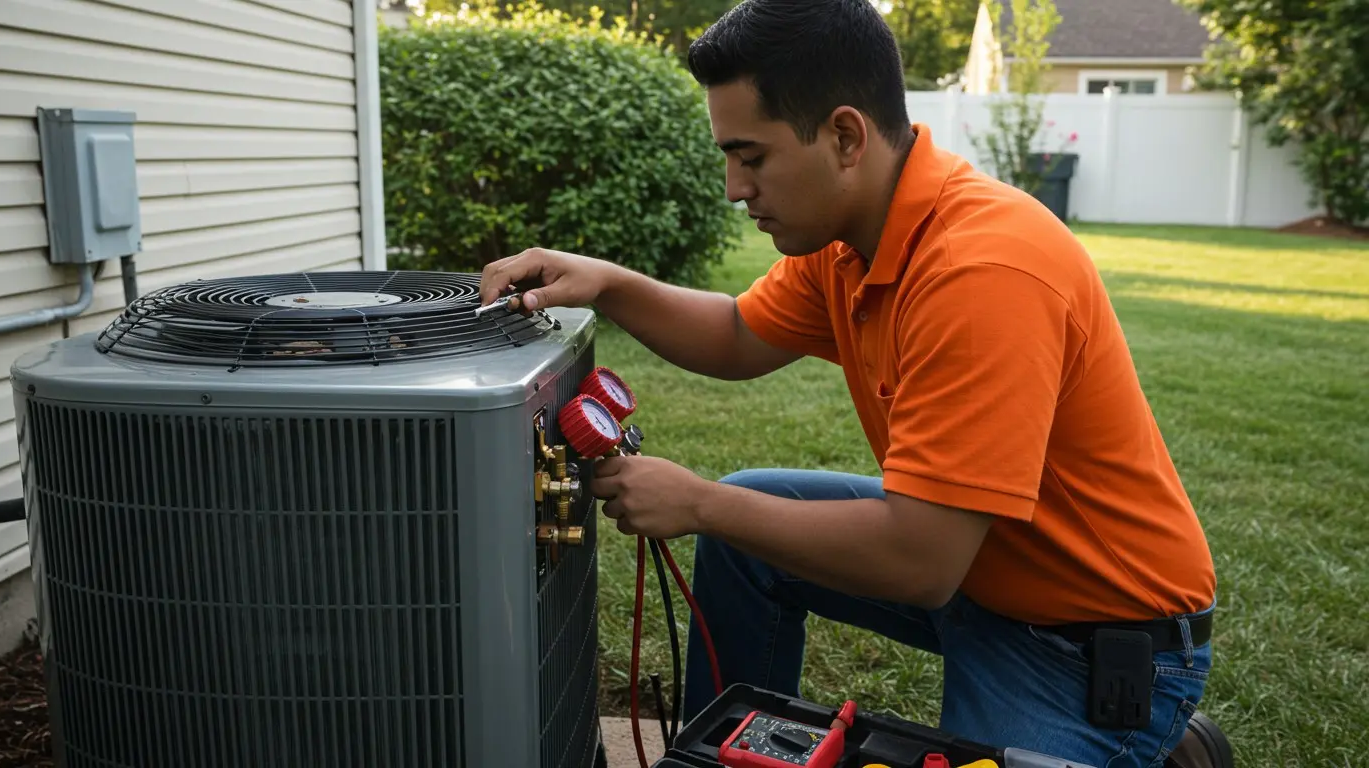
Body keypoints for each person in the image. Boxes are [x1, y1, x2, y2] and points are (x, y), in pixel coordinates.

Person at [477, 0, 1223, 765]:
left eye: (752, 156)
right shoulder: (851, 241)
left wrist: (698, 502)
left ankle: (1148, 739)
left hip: (1086, 638)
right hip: (980, 566)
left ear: (843, 137)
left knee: (734, 511)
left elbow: (919, 563)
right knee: (746, 536)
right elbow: (737, 334)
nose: (734, 188)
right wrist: (608, 284)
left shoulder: (982, 273)